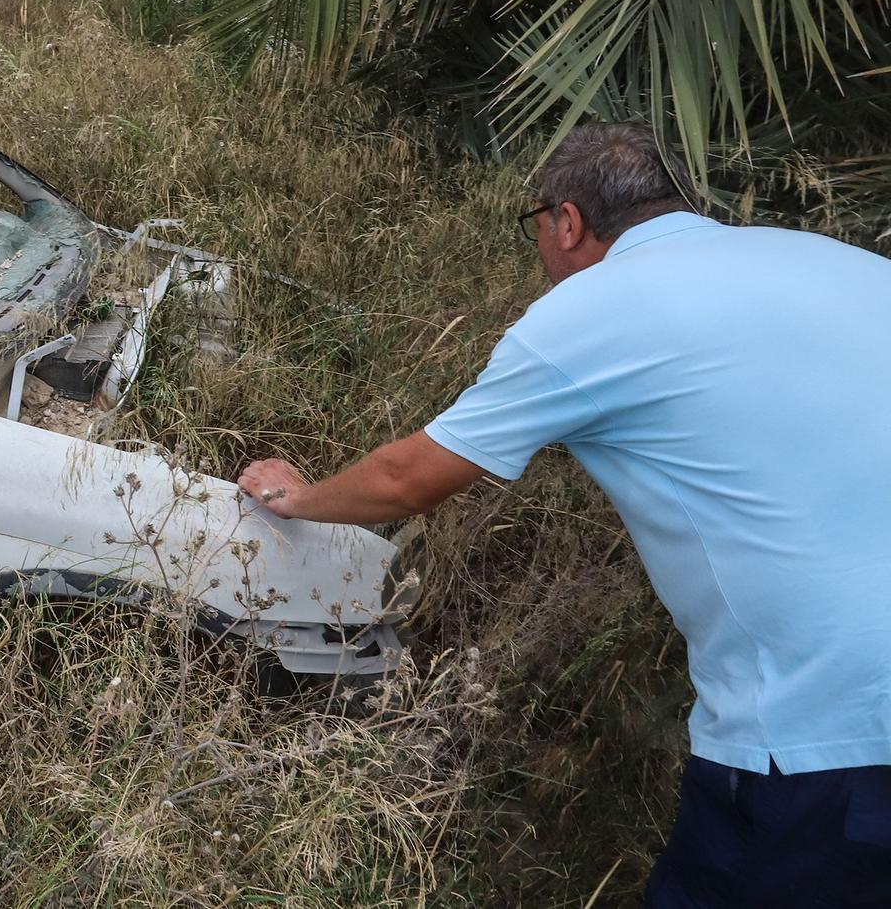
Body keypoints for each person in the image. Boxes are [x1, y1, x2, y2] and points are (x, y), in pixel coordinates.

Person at [237, 122, 891, 906]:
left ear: (568, 221)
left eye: (537, 225)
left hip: (831, 729)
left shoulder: (598, 305)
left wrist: (295, 497)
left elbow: (409, 478)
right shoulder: (834, 260)